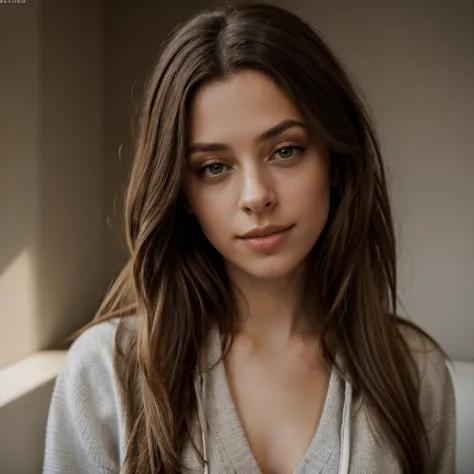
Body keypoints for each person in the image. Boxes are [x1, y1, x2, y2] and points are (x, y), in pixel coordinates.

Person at [42, 2, 456, 473]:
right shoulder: (106, 373)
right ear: (182, 193)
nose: (256, 196)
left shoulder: (415, 372)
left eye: (285, 151)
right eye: (214, 168)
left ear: (337, 161)